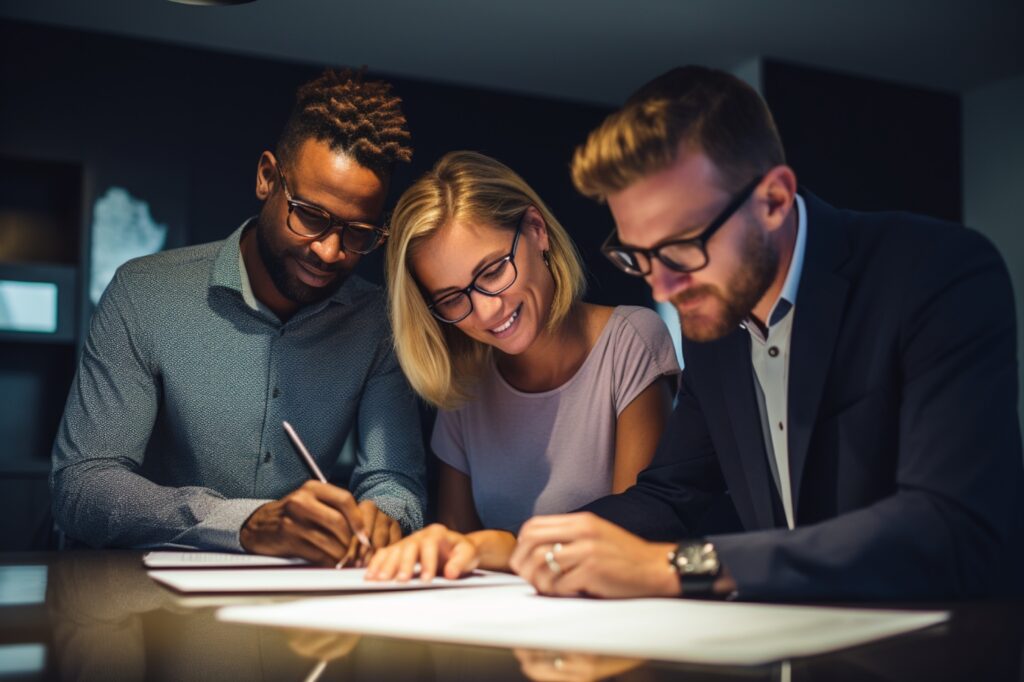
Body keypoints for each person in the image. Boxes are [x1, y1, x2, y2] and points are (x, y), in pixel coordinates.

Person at [510, 65, 1024, 600]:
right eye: (638, 257)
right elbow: (669, 496)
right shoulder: (712, 319)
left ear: (774, 199)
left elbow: (946, 524)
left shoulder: (936, 272)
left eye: (682, 247)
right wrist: (517, 544)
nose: (662, 288)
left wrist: (682, 566)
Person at [51, 69, 427, 566]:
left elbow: (394, 481)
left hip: (298, 599)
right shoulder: (144, 293)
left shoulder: (377, 324)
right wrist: (244, 523)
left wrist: (385, 518)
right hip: (141, 600)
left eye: (358, 232)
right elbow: (82, 484)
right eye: (311, 216)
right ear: (267, 178)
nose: (331, 251)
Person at [365, 151, 679, 582]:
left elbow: (640, 531)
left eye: (493, 271)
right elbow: (457, 547)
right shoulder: (465, 385)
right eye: (453, 298)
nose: (486, 310)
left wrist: (508, 546)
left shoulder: (632, 339)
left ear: (537, 231)